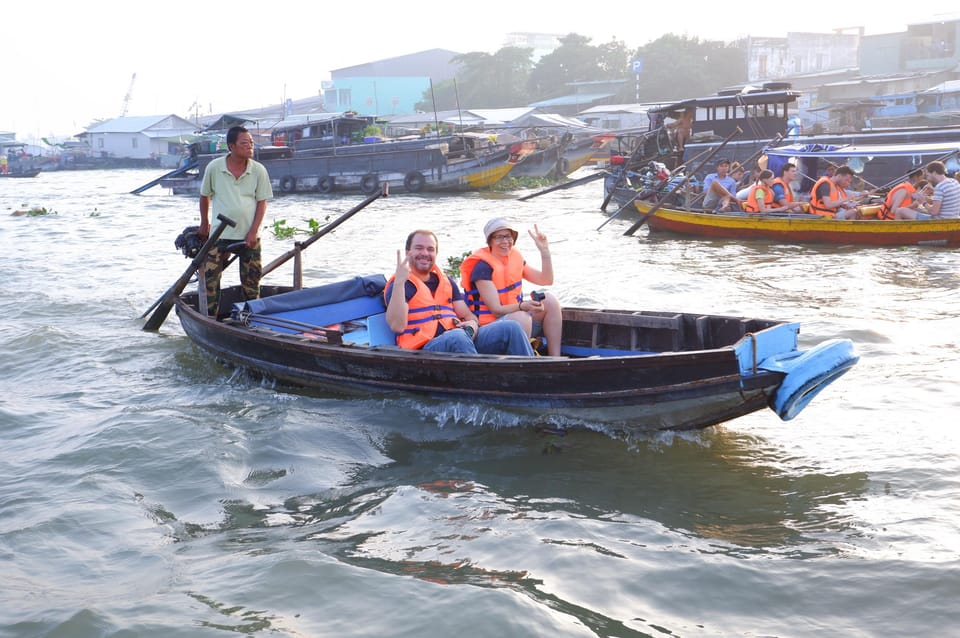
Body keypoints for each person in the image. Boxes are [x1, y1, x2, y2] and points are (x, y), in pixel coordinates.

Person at [385, 229, 534, 356]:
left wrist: (473, 324)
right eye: (419, 248)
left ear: (436, 254)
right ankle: (483, 381)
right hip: (426, 349)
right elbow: (397, 326)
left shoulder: (447, 282)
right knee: (457, 336)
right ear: (408, 252)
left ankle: (532, 376)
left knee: (511, 327)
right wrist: (399, 283)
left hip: (461, 339)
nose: (425, 253)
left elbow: (469, 315)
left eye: (430, 249)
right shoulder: (401, 285)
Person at [198, 125, 273, 317]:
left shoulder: (258, 170)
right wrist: (204, 223)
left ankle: (252, 319)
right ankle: (210, 318)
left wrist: (253, 231)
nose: (250, 147)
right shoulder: (215, 167)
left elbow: (261, 202)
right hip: (219, 233)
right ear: (231, 146)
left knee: (252, 281)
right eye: (244, 143)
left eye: (251, 143)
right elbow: (204, 196)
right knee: (210, 278)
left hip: (249, 234)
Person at [460, 218, 563, 357]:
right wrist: (523, 306)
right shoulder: (482, 268)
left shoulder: (515, 258)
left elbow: (546, 280)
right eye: (498, 237)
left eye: (508, 236)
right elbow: (496, 310)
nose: (505, 241)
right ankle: (527, 363)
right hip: (489, 331)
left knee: (550, 300)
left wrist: (544, 251)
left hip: (518, 320)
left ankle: (555, 359)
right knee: (521, 317)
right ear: (490, 241)